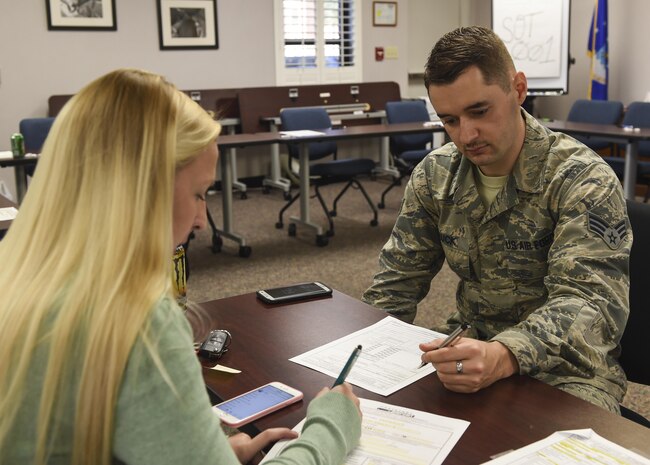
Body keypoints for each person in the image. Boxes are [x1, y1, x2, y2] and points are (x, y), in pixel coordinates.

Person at [0, 68, 361, 464]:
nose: (202, 221)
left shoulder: (17, 277)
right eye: (197, 194)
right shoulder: (133, 319)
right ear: (143, 190)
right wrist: (329, 428)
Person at [362, 26, 631, 413]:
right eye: (449, 120)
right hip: (468, 348)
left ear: (518, 89)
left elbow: (589, 304)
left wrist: (504, 354)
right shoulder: (435, 175)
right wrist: (363, 350)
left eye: (479, 111)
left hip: (568, 370)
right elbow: (396, 283)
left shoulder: (581, 178)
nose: (466, 135)